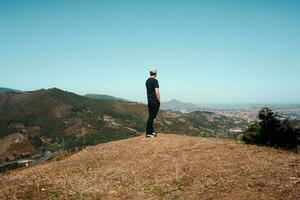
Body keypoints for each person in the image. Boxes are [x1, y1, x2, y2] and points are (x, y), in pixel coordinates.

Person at [145, 68, 160, 138]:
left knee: (151, 116)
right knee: (152, 117)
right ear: (156, 74)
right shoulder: (155, 81)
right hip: (154, 101)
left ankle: (151, 131)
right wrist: (159, 100)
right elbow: (157, 92)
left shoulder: (147, 81)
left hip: (149, 101)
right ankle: (148, 133)